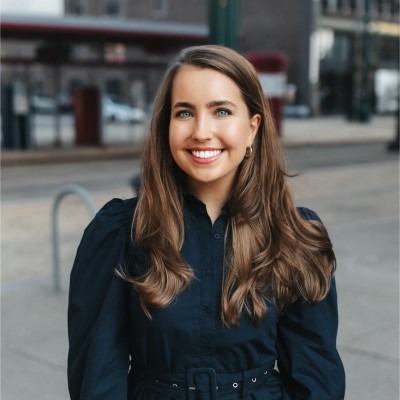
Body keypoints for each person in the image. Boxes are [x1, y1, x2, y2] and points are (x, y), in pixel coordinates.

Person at [68, 45, 345, 400]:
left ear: (252, 128)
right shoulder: (123, 231)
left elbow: (317, 377)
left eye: (221, 111)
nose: (201, 131)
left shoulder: (293, 235)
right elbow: (97, 375)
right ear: (166, 125)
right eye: (184, 112)